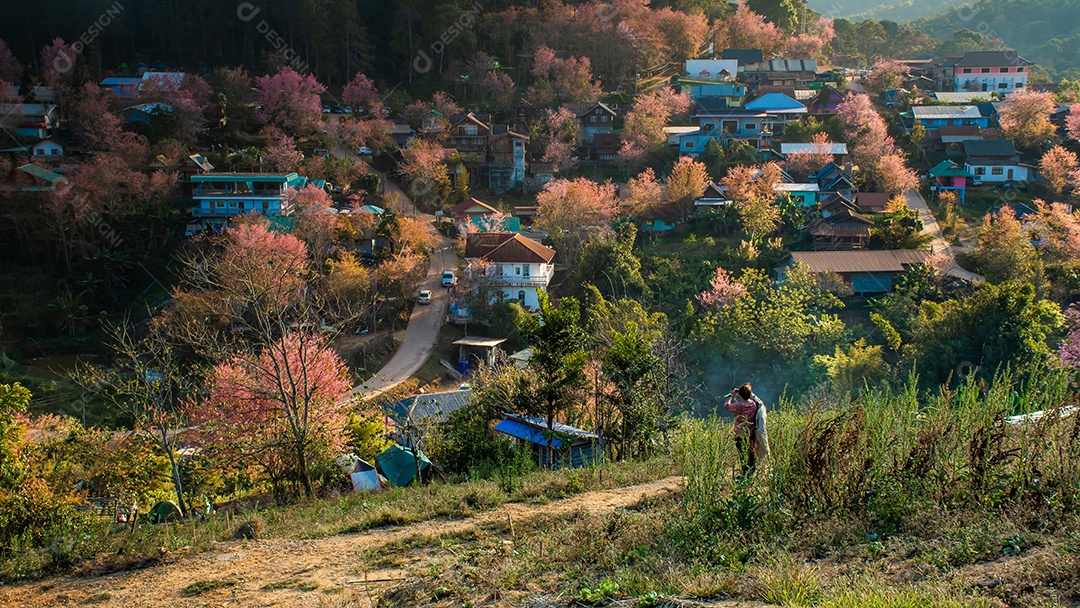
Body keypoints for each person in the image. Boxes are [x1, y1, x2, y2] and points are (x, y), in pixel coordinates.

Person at [723, 383, 768, 475]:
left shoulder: (739, 406)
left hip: (740, 434)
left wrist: (730, 396)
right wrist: (746, 392)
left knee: (743, 456)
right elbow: (756, 398)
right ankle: (751, 473)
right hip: (751, 434)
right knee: (751, 454)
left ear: (740, 395)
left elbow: (727, 406)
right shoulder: (754, 404)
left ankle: (746, 475)